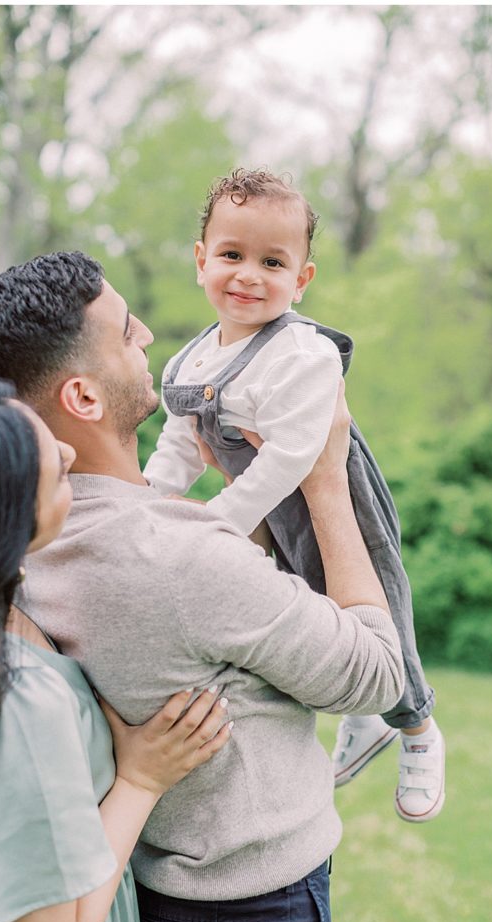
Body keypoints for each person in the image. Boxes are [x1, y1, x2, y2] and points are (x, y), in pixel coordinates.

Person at [0, 250, 405, 922]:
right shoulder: (176, 557)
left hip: (141, 897)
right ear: (83, 395)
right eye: (129, 334)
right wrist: (325, 480)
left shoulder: (17, 546)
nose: (151, 336)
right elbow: (375, 673)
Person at [143, 167, 445, 822]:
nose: (249, 275)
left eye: (272, 262)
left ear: (301, 279)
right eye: (231, 255)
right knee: (313, 623)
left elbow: (290, 459)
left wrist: (218, 521)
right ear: (201, 261)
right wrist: (145, 503)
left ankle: (417, 726)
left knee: (378, 605)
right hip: (263, 516)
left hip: (330, 498)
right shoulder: (190, 362)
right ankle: (368, 716)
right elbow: (177, 443)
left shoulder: (302, 354)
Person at [0, 374, 232, 922]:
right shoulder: (12, 694)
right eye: (48, 461)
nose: (68, 451)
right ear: (1, 516)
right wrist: (142, 780)